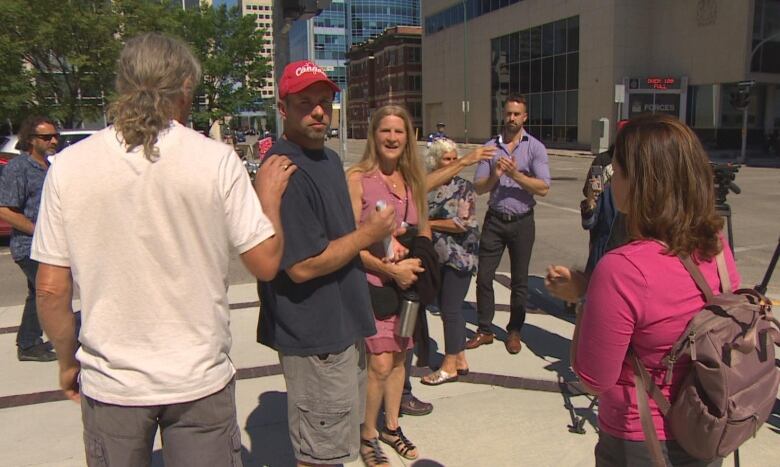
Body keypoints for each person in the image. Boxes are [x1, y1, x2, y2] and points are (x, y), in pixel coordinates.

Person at [32, 33, 292, 466]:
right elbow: (265, 263)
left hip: (112, 384)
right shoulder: (216, 160)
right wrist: (268, 200)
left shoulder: (71, 166)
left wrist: (66, 359)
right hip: (198, 381)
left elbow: (50, 290)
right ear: (184, 88)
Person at [558, 113, 738, 466]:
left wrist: (584, 297)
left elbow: (594, 378)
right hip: (705, 427)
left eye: (617, 172)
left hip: (641, 439)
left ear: (641, 183)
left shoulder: (622, 268)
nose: (611, 183)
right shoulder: (715, 246)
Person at [257, 60, 394, 467]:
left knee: (336, 446)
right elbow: (301, 266)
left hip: (343, 329)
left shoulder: (329, 160)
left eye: (325, 101)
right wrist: (368, 234)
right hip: (315, 338)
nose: (318, 111)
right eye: (305, 103)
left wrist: (377, 240)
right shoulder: (285, 171)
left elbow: (338, 234)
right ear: (283, 108)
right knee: (321, 457)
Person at [346, 104, 429, 466]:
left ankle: (392, 427)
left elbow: (423, 229)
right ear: (374, 135)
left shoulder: (413, 181)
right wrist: (388, 268)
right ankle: (368, 434)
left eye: (399, 132)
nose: (393, 138)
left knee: (400, 360)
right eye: (386, 131)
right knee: (379, 364)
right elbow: (347, 243)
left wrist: (417, 257)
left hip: (407, 287)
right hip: (373, 285)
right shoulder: (358, 178)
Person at [467, 94, 551, 354]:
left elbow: (544, 187)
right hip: (495, 220)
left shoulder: (535, 148)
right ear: (503, 115)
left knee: (520, 281)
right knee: (483, 276)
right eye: (508, 113)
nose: (512, 118)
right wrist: (496, 174)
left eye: (517, 114)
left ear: (525, 117)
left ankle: (514, 330)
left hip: (523, 221)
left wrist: (515, 174)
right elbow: (479, 188)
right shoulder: (490, 148)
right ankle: (485, 328)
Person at [0, 115, 59, 362]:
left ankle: (28, 342)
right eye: (47, 137)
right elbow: (5, 210)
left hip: (48, 244)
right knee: (50, 293)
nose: (54, 140)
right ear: (31, 140)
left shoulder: (49, 166)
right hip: (29, 246)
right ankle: (29, 344)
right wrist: (39, 231)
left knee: (38, 293)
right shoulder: (19, 168)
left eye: (55, 136)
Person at [420, 138, 478, 385]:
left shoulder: (464, 187)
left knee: (451, 310)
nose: (453, 163)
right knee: (446, 309)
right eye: (447, 159)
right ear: (435, 161)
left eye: (456, 158)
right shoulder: (427, 184)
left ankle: (448, 366)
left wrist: (428, 224)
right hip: (437, 258)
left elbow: (463, 222)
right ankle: (460, 359)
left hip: (460, 257)